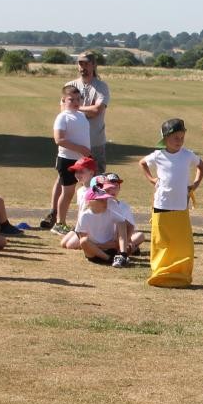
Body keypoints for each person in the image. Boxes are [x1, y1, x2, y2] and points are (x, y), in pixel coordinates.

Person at [140, 118, 203, 287]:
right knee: (162, 240)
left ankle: (180, 271)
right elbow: (143, 163)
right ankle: (161, 271)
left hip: (180, 205)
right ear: (165, 138)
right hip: (162, 203)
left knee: (181, 242)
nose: (179, 141)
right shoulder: (158, 155)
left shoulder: (187, 154)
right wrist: (151, 179)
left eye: (182, 137)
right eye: (175, 137)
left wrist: (196, 184)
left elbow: (202, 166)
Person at [48, 85, 91, 234]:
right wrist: (80, 149)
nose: (75, 102)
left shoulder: (81, 115)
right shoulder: (63, 116)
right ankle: (59, 223)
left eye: (78, 99)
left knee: (82, 190)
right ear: (63, 100)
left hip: (81, 160)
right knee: (67, 193)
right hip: (67, 160)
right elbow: (59, 139)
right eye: (71, 99)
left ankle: (84, 222)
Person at [68, 52, 112, 172]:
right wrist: (86, 109)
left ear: (94, 65)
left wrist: (75, 108)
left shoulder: (101, 87)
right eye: (80, 64)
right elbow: (64, 111)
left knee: (96, 181)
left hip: (95, 143)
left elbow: (96, 110)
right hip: (74, 143)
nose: (83, 67)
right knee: (65, 180)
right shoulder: (70, 86)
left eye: (86, 64)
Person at [71, 187, 132, 268]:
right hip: (94, 252)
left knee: (121, 223)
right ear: (91, 202)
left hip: (111, 249)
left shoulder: (110, 213)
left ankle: (122, 255)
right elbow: (83, 240)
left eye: (106, 199)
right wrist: (104, 245)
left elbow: (128, 224)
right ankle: (110, 259)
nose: (105, 202)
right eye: (101, 200)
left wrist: (123, 240)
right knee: (83, 241)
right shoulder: (84, 216)